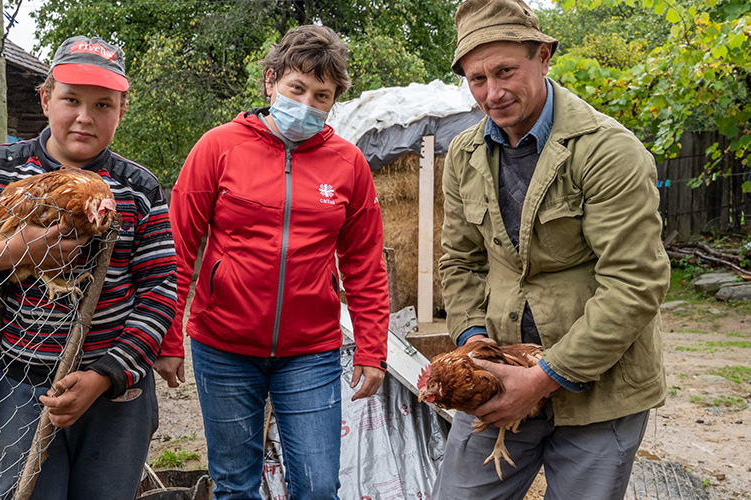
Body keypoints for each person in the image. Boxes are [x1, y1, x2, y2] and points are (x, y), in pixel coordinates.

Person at [0, 36, 178, 500]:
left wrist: (105, 376)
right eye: (71, 99)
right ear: (45, 97)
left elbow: (160, 291)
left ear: (122, 109)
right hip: (19, 384)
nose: (84, 117)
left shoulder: (139, 188)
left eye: (103, 105)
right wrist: (6, 255)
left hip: (114, 391)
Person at [432, 0, 671, 498]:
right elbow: (459, 260)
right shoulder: (463, 153)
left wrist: (544, 378)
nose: (492, 93)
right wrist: (476, 349)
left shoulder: (608, 150)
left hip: (600, 391)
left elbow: (634, 282)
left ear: (543, 56)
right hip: (499, 380)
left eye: (505, 71)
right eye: (477, 79)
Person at [163, 25, 389, 500]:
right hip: (223, 346)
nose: (306, 104)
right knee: (235, 485)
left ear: (334, 101)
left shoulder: (348, 164)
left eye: (321, 96)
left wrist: (372, 347)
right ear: (271, 81)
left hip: (310, 351)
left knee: (318, 485)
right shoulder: (218, 147)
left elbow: (364, 262)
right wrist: (167, 336)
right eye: (296, 88)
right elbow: (179, 246)